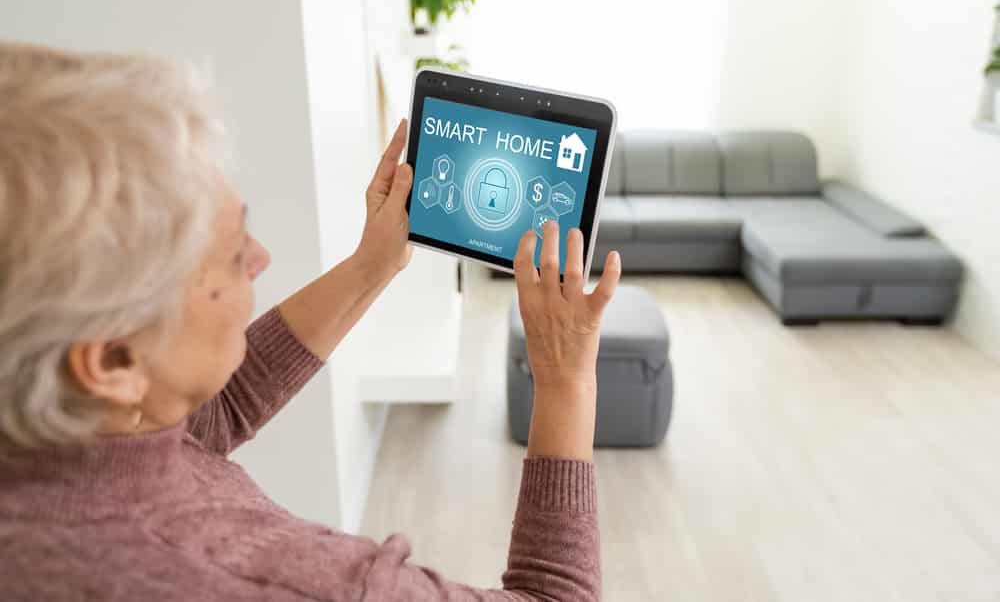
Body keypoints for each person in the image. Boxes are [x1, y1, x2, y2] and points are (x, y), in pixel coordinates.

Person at [0, 42, 621, 601]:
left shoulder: (64, 444)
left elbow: (204, 420)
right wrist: (566, 381)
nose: (260, 258)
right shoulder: (267, 579)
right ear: (112, 361)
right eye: (229, 255)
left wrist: (370, 265)